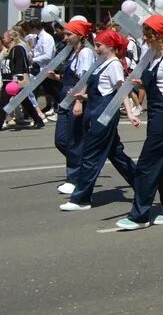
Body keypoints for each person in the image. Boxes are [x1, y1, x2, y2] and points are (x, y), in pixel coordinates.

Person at [115, 15, 163, 230]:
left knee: (147, 165)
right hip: (156, 112)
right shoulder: (153, 54)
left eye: (148, 33)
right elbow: (154, 81)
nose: (144, 37)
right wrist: (140, 82)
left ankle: (140, 215)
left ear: (158, 34)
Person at [59, 29, 139, 210]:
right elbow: (102, 90)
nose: (96, 48)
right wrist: (82, 96)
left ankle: (81, 199)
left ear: (110, 46)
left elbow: (121, 90)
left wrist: (131, 113)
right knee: (117, 155)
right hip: (95, 111)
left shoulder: (114, 65)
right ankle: (144, 185)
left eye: (99, 45)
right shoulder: (102, 63)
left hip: (104, 115)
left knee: (90, 156)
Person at [52, 19, 96, 194]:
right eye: (65, 34)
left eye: (69, 35)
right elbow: (70, 78)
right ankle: (83, 167)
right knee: (61, 140)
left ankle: (75, 177)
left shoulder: (85, 53)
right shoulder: (71, 52)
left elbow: (84, 79)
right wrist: (55, 77)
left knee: (74, 140)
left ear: (80, 35)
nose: (66, 38)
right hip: (65, 99)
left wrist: (79, 101)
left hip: (75, 101)